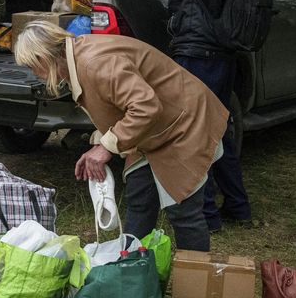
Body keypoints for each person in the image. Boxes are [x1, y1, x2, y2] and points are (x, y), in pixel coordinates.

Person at [13, 21, 228, 251]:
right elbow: (117, 104)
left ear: (43, 58)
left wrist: (106, 147)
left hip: (182, 123)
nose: (34, 73)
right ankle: (128, 270)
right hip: (152, 133)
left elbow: (145, 107)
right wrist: (100, 141)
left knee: (183, 211)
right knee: (140, 199)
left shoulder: (95, 63)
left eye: (32, 66)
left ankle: (198, 283)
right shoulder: (78, 56)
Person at [122, 0, 253, 231]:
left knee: (195, 136)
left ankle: (208, 217)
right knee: (219, 131)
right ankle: (238, 207)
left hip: (199, 57)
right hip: (218, 56)